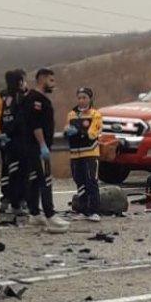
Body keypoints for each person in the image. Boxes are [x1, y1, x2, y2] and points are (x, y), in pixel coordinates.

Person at [20, 67, 70, 232]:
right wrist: (42, 145)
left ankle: (34, 213)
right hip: (36, 146)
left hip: (35, 146)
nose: (53, 84)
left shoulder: (38, 99)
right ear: (42, 79)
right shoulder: (35, 99)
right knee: (45, 179)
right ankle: (50, 215)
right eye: (51, 80)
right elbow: (36, 125)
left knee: (35, 179)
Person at [0, 68, 27, 218]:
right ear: (19, 81)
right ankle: (7, 198)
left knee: (21, 170)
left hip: (21, 139)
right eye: (23, 80)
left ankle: (21, 199)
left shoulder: (25, 95)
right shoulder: (1, 96)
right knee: (7, 169)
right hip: (6, 139)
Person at [65, 86, 103, 221]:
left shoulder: (95, 114)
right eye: (79, 98)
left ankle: (94, 211)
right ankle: (82, 210)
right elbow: (67, 131)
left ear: (90, 99)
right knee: (79, 182)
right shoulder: (71, 114)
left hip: (90, 153)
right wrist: (67, 133)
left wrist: (79, 132)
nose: (81, 100)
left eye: (84, 97)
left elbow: (92, 134)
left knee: (91, 181)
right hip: (75, 154)